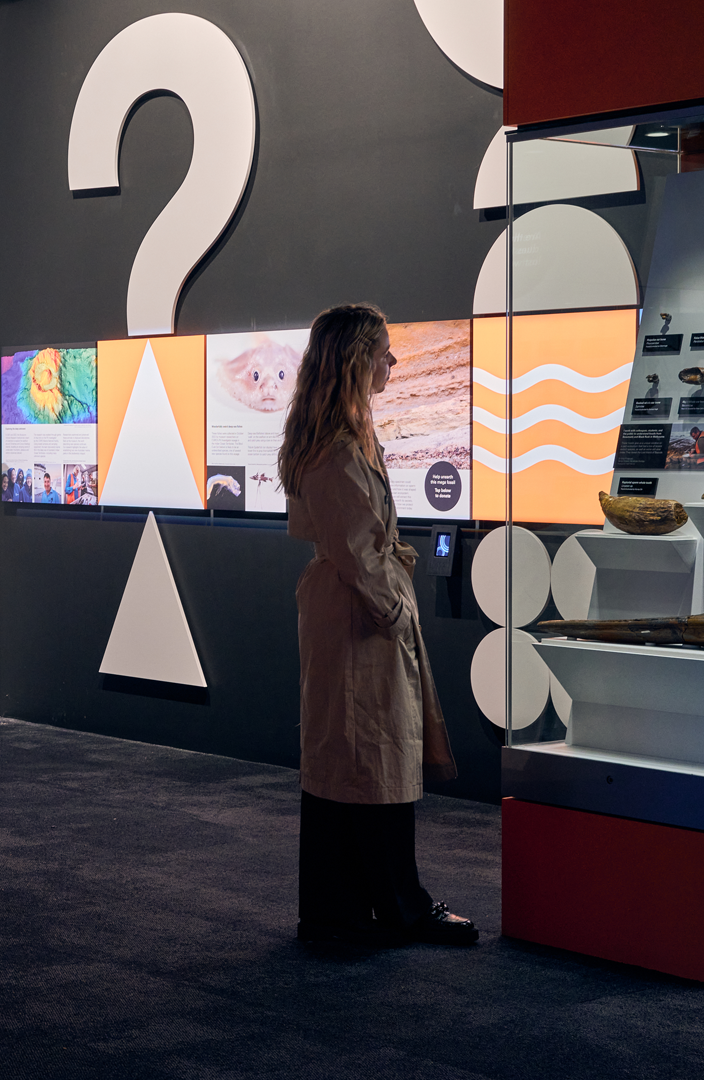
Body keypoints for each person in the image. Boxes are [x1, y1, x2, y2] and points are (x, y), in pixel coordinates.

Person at [278, 302, 475, 948]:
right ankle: (385, 907)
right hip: (359, 624)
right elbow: (359, 552)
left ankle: (360, 906)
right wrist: (393, 606)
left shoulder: (338, 439)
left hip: (354, 619)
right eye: (384, 353)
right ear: (358, 360)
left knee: (358, 763)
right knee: (366, 763)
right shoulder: (336, 452)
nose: (393, 363)